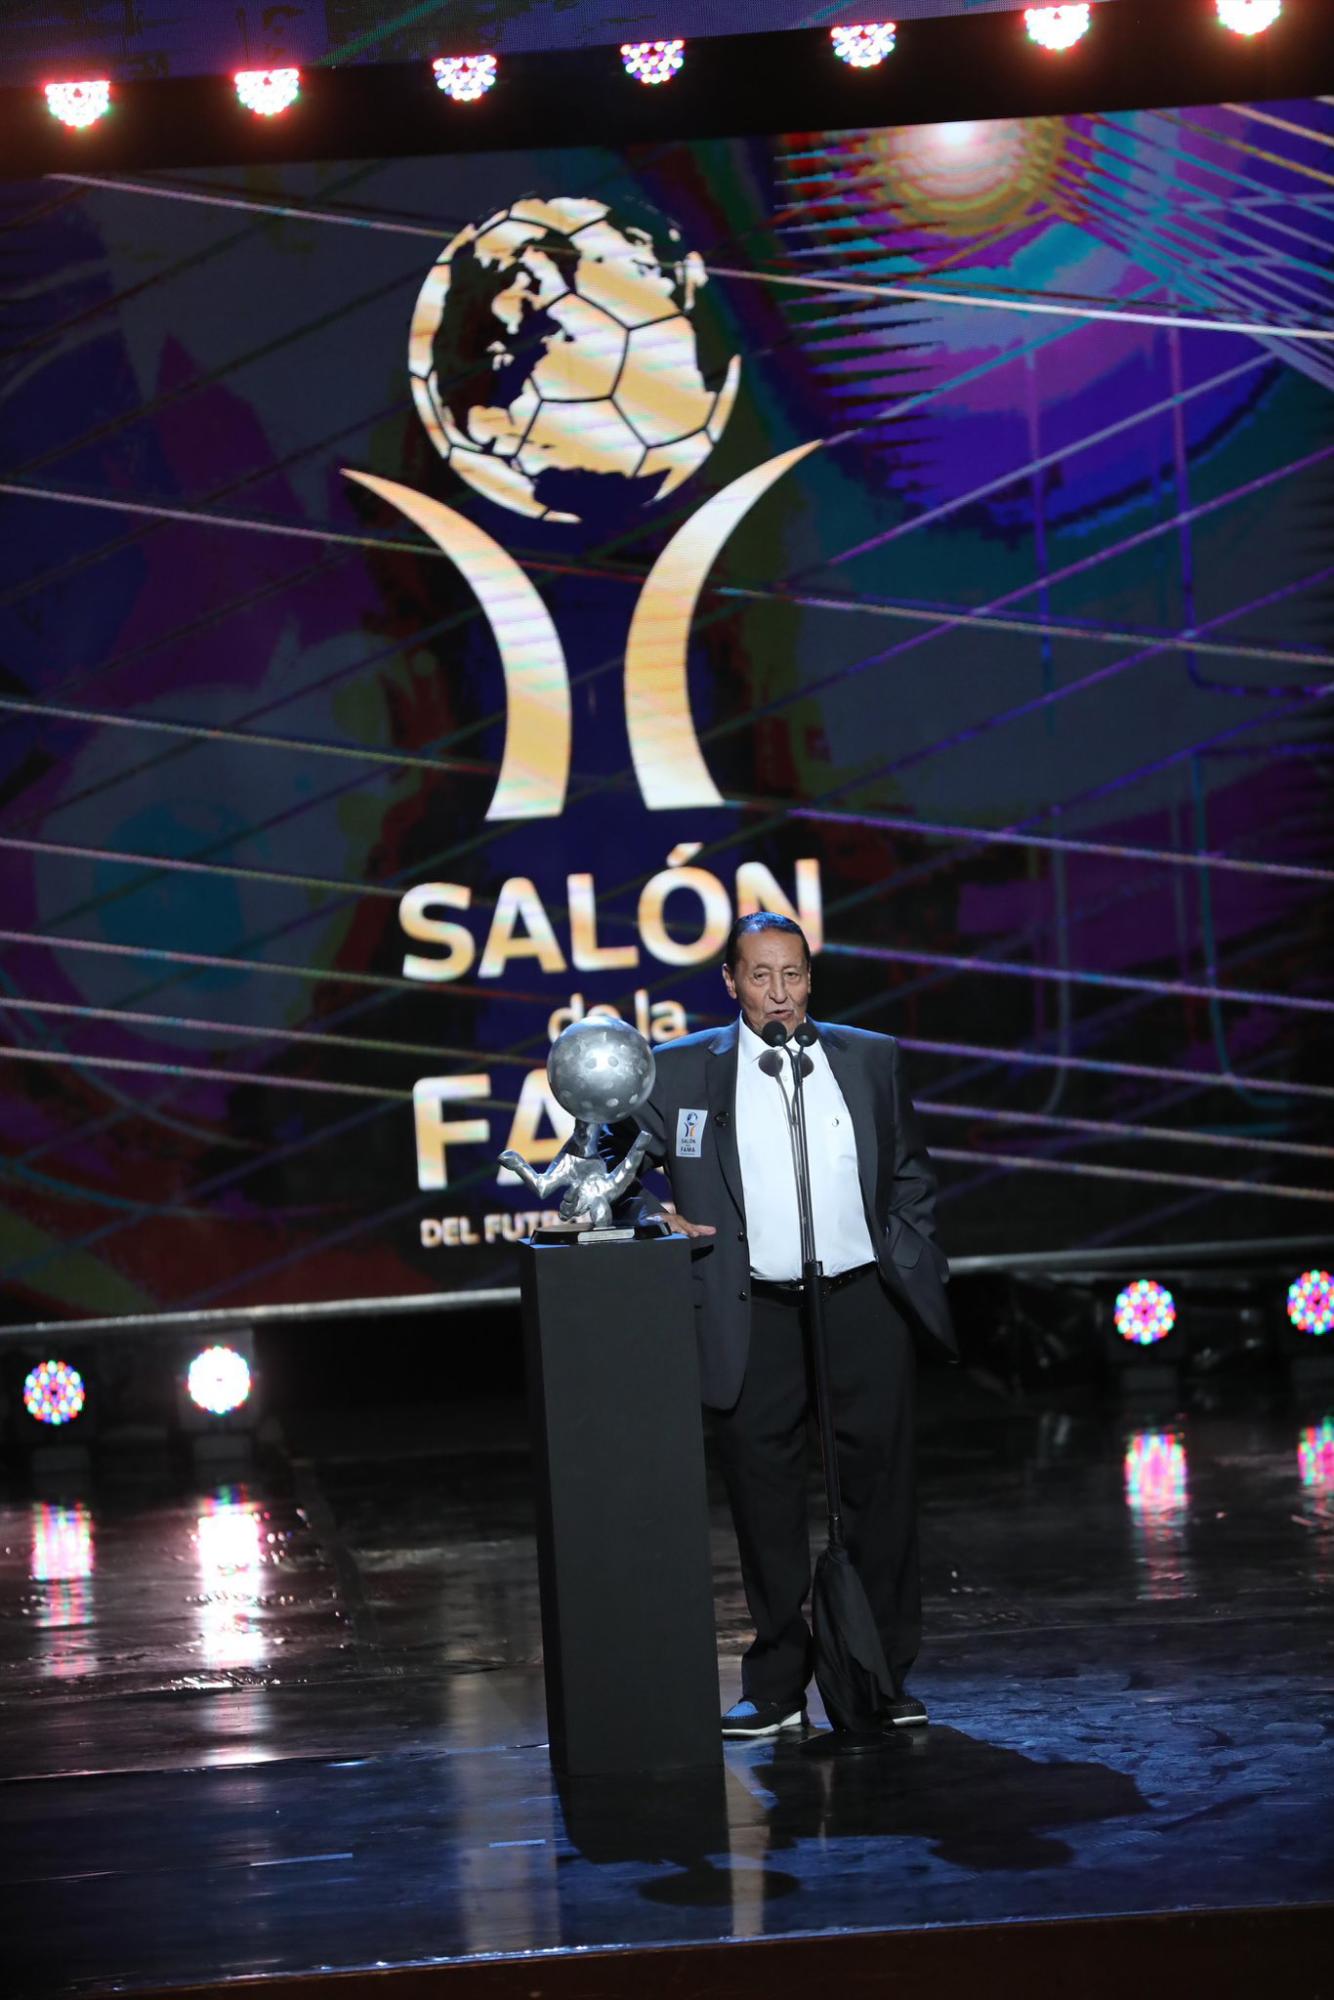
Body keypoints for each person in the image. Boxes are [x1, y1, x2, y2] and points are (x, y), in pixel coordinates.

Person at [602, 911, 955, 1738]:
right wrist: (651, 1216)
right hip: (752, 1310)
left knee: (880, 1495)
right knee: (764, 1499)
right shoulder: (682, 1070)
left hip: (862, 1301)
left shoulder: (868, 1057)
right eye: (760, 976)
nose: (779, 993)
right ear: (731, 982)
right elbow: (608, 1160)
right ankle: (776, 1684)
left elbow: (910, 1170)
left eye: (792, 974)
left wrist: (910, 1253)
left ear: (809, 978)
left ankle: (879, 1676)